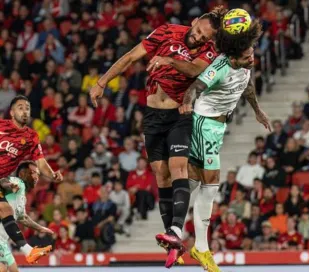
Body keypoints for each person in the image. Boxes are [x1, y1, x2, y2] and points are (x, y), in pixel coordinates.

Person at [89, 7, 227, 266]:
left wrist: (169, 61)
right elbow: (131, 56)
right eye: (197, 31)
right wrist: (102, 82)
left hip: (180, 115)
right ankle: (172, 242)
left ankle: (176, 230)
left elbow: (194, 70)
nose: (197, 38)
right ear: (194, 21)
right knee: (160, 174)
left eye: (204, 38)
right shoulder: (166, 32)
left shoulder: (210, 53)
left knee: (178, 168)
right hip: (152, 116)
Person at [180, 20, 270, 271]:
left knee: (196, 180)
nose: (251, 59)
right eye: (247, 56)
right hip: (204, 124)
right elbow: (194, 87)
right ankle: (200, 246)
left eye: (252, 54)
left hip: (218, 127)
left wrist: (257, 111)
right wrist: (187, 102)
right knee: (211, 182)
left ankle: (176, 232)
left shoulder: (245, 62)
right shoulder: (218, 67)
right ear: (233, 55)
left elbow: (247, 86)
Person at [0, 96, 61, 264]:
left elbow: (40, 162)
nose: (25, 111)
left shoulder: (31, 136)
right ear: (12, 112)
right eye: (20, 108)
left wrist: (52, 174)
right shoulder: (1, 126)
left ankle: (29, 252)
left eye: (27, 108)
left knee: (5, 209)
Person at [0, 161, 54, 271]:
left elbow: (22, 218)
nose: (36, 177)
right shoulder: (18, 182)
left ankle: (29, 252)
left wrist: (40, 228)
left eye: (38, 174)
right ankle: (29, 251)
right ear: (23, 174)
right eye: (33, 173)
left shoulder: (22, 196)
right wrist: (9, 185)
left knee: (12, 270)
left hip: (3, 240)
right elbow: (2, 181)